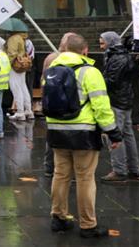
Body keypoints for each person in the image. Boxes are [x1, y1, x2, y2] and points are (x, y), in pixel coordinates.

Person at [46, 33, 122, 238]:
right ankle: (88, 225)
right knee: (85, 178)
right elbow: (101, 106)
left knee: (60, 174)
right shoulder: (90, 72)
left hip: (56, 131)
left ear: (64, 49)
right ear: (85, 50)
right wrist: (113, 133)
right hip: (83, 133)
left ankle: (59, 218)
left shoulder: (51, 69)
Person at [99, 31, 139, 182]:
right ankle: (133, 168)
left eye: (102, 43)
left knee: (115, 134)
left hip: (117, 100)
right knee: (128, 134)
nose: (101, 46)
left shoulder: (117, 58)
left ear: (110, 42)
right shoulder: (122, 55)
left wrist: (97, 80)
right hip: (124, 99)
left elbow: (112, 80)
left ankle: (119, 170)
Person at [42, 32, 73, 177]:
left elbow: (43, 79)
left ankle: (49, 167)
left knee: (52, 135)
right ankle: (53, 167)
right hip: (64, 103)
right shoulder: (58, 58)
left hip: (52, 103)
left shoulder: (51, 57)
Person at [6, 31, 34, 121]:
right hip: (22, 65)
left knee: (16, 88)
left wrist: (7, 64)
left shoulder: (13, 39)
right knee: (23, 87)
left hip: (14, 66)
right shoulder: (22, 38)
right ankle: (28, 110)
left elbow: (12, 54)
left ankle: (20, 112)